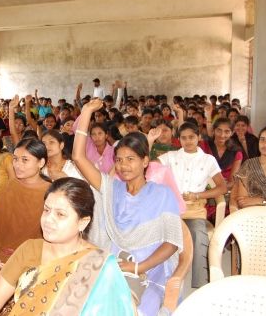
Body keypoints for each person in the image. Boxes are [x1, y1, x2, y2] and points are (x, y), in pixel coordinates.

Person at [73, 99, 183, 316]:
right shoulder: (112, 188)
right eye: (120, 160)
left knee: (124, 306)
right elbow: (78, 157)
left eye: (131, 159)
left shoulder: (162, 194)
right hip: (113, 262)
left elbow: (171, 242)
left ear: (145, 161)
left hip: (149, 268)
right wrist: (86, 111)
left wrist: (139, 267)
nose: (123, 166)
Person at [0, 178, 134, 315]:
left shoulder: (98, 265)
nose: (48, 220)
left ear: (83, 222)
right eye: (46, 210)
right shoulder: (29, 249)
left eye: (60, 214)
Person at [0, 138, 52, 309]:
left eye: (25, 160)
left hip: (33, 261)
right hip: (0, 253)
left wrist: (22, 263)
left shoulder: (51, 193)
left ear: (41, 162)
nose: (17, 165)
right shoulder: (11, 186)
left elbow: (49, 241)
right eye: (15, 159)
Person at [157, 122, 227, 288]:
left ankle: (201, 285)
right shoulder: (171, 157)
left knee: (197, 232)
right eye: (183, 138)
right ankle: (161, 280)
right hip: (171, 208)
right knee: (162, 232)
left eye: (191, 137)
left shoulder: (208, 160)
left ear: (199, 137)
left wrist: (198, 195)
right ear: (178, 139)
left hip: (194, 209)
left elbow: (222, 187)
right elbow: (150, 167)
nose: (187, 141)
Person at [233, 125, 266, 209]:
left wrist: (260, 201)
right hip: (251, 215)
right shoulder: (248, 165)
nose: (265, 144)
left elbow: (249, 201)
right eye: (262, 140)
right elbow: (242, 202)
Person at [201, 118, 242, 190]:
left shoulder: (236, 152)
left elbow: (232, 181)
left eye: (227, 132)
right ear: (213, 130)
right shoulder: (204, 146)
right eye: (219, 130)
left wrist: (218, 189)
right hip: (203, 186)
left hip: (225, 188)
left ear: (232, 133)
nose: (222, 135)